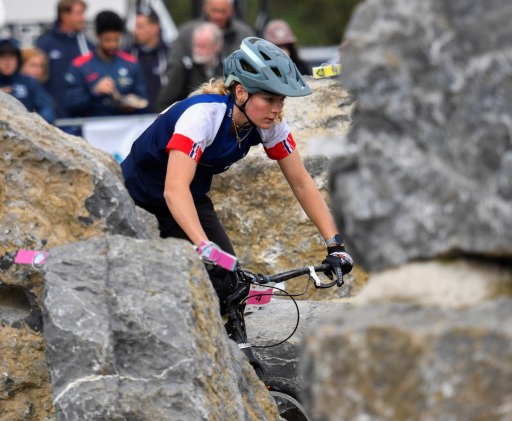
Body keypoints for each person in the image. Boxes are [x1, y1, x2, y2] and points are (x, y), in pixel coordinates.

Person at [120, 37, 353, 309]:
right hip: (136, 197)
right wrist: (204, 246)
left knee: (234, 287)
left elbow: (302, 183)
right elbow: (174, 189)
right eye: (268, 99)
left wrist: (335, 245)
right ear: (241, 92)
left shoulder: (269, 122)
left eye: (281, 100)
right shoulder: (202, 116)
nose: (277, 109)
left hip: (190, 198)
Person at [64, 10, 149, 118]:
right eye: (107, 40)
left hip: (126, 128)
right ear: (97, 36)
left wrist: (134, 102)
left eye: (116, 40)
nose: (112, 45)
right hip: (92, 128)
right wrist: (94, 92)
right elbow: (71, 105)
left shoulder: (131, 63)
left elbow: (145, 101)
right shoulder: (79, 65)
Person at [35, 0, 95, 117]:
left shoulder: (87, 45)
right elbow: (37, 80)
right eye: (79, 14)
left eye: (83, 14)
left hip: (82, 117)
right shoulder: (45, 43)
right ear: (64, 15)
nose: (83, 18)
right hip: (53, 117)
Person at [0, 38, 57, 124]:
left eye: (11, 57)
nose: (7, 62)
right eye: (3, 57)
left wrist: (35, 123)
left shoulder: (29, 82)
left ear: (18, 60)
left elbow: (47, 109)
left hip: (26, 131)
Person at [156, 22, 223, 111]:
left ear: (217, 46)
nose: (198, 50)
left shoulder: (225, 68)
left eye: (203, 46)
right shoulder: (184, 68)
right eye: (195, 45)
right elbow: (163, 103)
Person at [169, 0, 254, 67]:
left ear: (232, 10)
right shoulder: (187, 33)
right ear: (205, 7)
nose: (218, 16)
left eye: (223, 11)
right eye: (214, 10)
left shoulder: (244, 35)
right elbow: (174, 64)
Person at [126, 5, 168, 112]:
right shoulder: (127, 54)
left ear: (155, 28)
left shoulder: (170, 54)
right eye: (135, 26)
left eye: (140, 26)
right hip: (134, 122)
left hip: (163, 118)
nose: (135, 31)